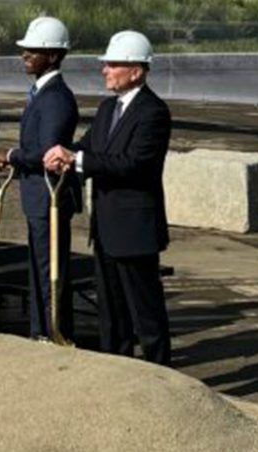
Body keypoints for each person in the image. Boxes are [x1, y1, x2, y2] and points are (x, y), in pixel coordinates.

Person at [45, 30, 171, 365]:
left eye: (113, 64)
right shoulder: (106, 109)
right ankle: (118, 371)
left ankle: (162, 377)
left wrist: (79, 161)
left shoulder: (153, 112)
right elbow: (88, 148)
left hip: (134, 231)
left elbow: (135, 165)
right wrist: (65, 156)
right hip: (105, 229)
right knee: (112, 315)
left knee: (145, 313)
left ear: (136, 71)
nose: (105, 71)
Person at [0, 17, 81, 341]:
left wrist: (11, 155)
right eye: (25, 49)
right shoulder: (42, 93)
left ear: (54, 56)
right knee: (40, 268)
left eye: (34, 49)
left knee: (50, 271)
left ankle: (53, 334)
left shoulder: (56, 97)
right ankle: (41, 331)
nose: (26, 55)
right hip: (38, 198)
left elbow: (47, 153)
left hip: (50, 197)